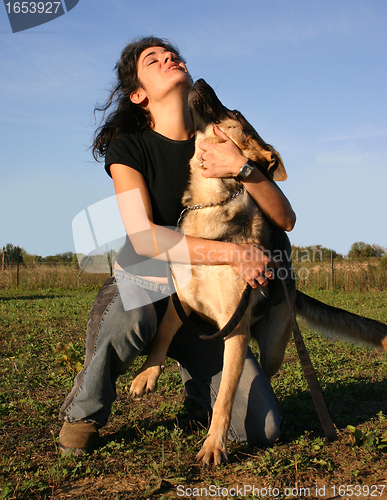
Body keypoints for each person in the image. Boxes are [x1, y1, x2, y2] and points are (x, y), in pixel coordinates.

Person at [58, 36, 296, 455]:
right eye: (154, 59)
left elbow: (285, 219)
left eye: (173, 54)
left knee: (264, 430)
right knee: (132, 315)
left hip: (209, 290)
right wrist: (235, 253)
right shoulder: (130, 147)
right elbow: (144, 236)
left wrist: (241, 168)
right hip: (149, 273)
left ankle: (198, 394)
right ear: (138, 94)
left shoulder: (219, 133)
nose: (170, 58)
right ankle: (84, 413)